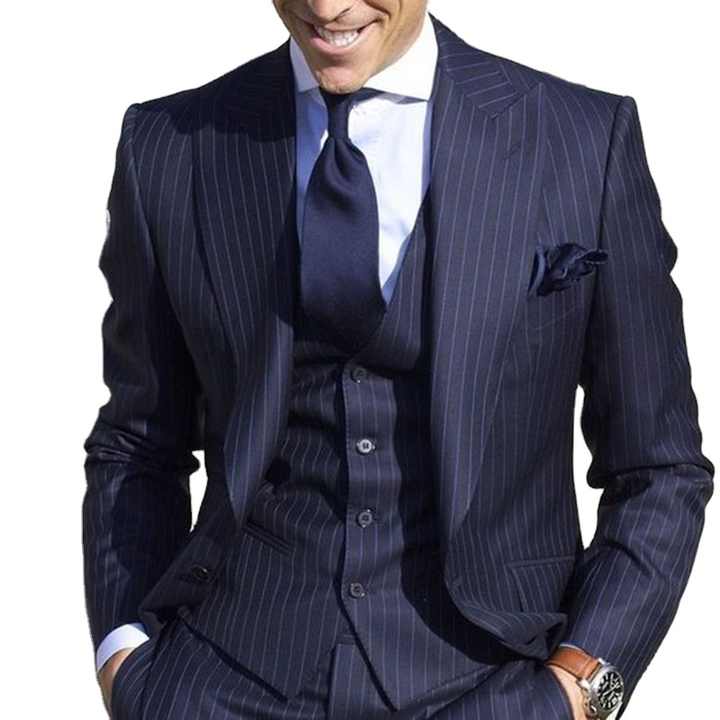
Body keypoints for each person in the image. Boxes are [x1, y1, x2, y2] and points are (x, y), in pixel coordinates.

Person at [83, 2, 714, 718]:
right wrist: (124, 659)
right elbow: (137, 440)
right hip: (222, 675)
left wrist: (577, 689)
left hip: (494, 680)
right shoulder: (169, 144)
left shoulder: (582, 138)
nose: (328, 6)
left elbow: (660, 467)